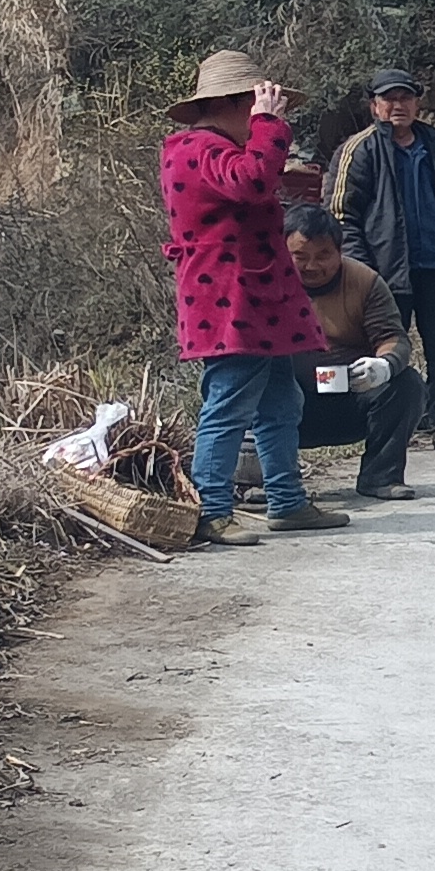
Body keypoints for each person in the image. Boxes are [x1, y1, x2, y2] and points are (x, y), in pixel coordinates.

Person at [159, 51, 341, 544]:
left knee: (282, 400)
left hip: (253, 294)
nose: (267, 115)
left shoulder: (212, 148)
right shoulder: (197, 147)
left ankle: (286, 500)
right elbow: (252, 180)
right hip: (231, 297)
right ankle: (213, 508)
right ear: (237, 102)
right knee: (229, 403)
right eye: (257, 105)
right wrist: (268, 126)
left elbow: (254, 186)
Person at [328, 68, 435, 452]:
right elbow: (341, 216)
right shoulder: (359, 150)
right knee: (379, 353)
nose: (398, 105)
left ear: (417, 103)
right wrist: (363, 273)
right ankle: (377, 433)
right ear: (374, 106)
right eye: (389, 99)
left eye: (405, 98)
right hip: (384, 275)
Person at [281, 199, 426, 500]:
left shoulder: (366, 282)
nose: (312, 266)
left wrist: (384, 365)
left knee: (408, 383)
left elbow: (393, 337)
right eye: (300, 256)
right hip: (285, 404)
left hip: (350, 397)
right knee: (247, 385)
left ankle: (380, 476)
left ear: (340, 250)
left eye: (323, 255)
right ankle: (269, 480)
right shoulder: (266, 283)